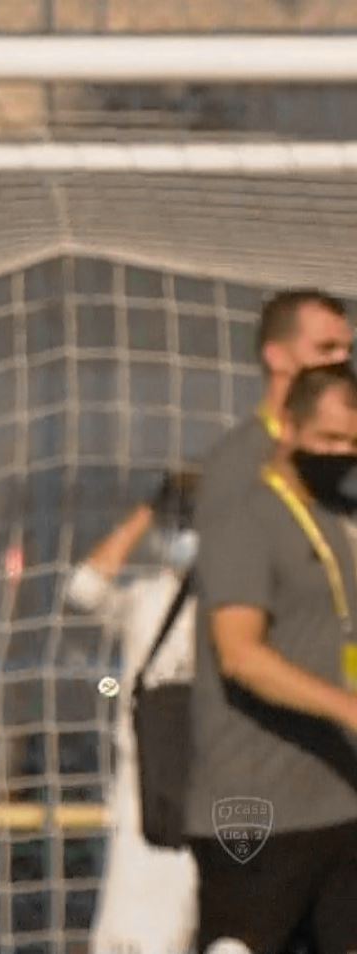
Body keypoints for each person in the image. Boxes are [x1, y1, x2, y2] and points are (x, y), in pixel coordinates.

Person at [192, 362, 357, 954]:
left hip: (336, 798)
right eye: (330, 440)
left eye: (353, 444)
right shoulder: (242, 516)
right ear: (289, 429)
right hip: (255, 808)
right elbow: (240, 655)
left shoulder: (332, 519)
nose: (341, 455)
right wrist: (347, 706)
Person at [63, 471, 200, 954]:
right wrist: (148, 510)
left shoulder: (238, 603)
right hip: (145, 789)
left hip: (218, 788)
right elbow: (84, 588)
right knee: (134, 932)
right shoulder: (149, 595)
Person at [194, 290, 351, 537]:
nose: (342, 360)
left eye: (347, 350)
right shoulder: (242, 463)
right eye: (326, 348)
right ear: (277, 357)